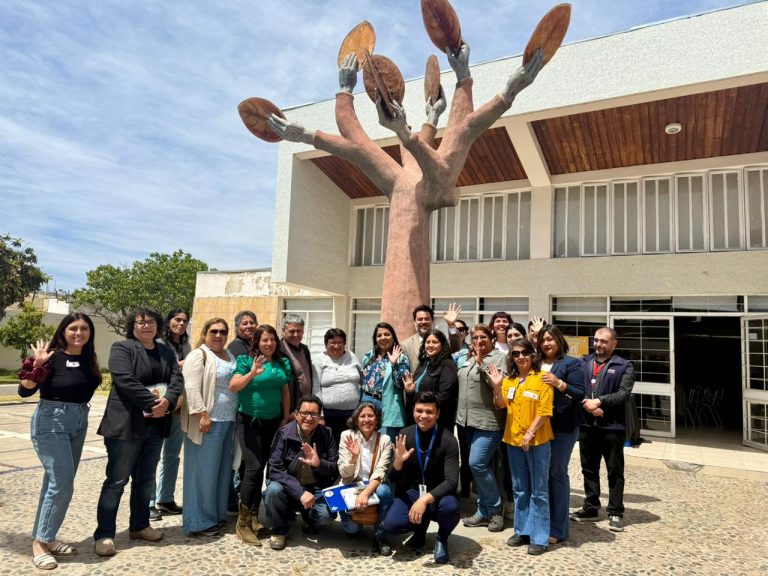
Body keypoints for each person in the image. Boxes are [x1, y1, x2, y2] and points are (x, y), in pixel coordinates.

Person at [93, 307, 184, 557]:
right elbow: (125, 380)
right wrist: (154, 403)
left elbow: (177, 379)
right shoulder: (122, 349)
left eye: (151, 322)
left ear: (158, 326)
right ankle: (104, 534)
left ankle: (140, 525)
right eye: (140, 322)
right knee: (116, 481)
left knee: (145, 480)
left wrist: (168, 401)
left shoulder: (165, 351)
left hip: (155, 426)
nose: (146, 326)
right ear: (132, 326)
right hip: (127, 425)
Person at [18, 313, 102, 570]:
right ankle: (40, 545)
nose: (79, 333)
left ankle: (48, 537)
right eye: (73, 328)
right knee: (62, 484)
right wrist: (38, 364)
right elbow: (24, 390)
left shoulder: (89, 358)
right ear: (63, 331)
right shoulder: (51, 356)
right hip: (51, 420)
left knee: (54, 483)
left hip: (79, 420)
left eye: (84, 328)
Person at [229, 324, 292, 544]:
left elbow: (284, 390)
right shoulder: (246, 360)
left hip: (273, 423)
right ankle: (242, 523)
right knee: (253, 468)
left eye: (272, 339)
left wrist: (285, 418)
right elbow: (234, 385)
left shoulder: (282, 362)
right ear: (257, 341)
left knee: (261, 468)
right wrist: (252, 373)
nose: (269, 343)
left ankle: (255, 516)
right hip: (249, 421)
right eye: (264, 340)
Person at [490, 338, 554, 555]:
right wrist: (498, 385)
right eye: (516, 354)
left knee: (539, 491)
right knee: (519, 489)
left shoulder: (542, 379)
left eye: (525, 352)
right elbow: (500, 404)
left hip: (537, 442)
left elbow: (544, 411)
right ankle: (523, 530)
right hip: (513, 441)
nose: (520, 357)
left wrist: (530, 432)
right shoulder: (511, 381)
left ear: (532, 355)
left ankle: (540, 537)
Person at [382, 391, 460, 565]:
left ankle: (442, 538)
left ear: (437, 414)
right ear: (413, 411)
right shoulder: (404, 435)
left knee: (451, 508)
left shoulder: (448, 440)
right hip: (412, 492)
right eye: (419, 411)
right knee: (392, 525)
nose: (424, 416)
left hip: (438, 496)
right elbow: (392, 478)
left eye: (429, 412)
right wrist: (398, 463)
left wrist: (424, 500)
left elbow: (451, 482)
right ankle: (419, 530)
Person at [571, 327, 635, 533]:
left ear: (614, 344)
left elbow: (624, 393)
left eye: (604, 341)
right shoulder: (583, 363)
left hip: (612, 427)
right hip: (587, 426)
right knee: (588, 468)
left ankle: (616, 511)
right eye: (596, 340)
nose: (598, 344)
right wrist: (586, 404)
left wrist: (600, 402)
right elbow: (576, 389)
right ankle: (590, 507)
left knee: (614, 470)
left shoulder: (624, 366)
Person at [179, 318, 237, 536]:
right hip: (207, 422)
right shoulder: (199, 355)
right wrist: (202, 414)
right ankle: (198, 522)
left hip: (227, 421)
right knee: (202, 473)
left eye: (223, 331)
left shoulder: (228, 355)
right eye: (214, 331)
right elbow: (191, 388)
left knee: (221, 473)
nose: (219, 335)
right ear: (204, 333)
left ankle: (216, 515)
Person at [263, 394, 339, 551]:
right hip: (289, 487)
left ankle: (306, 517)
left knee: (327, 515)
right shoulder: (284, 434)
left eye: (314, 414)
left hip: (314, 487)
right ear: (296, 414)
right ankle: (279, 530)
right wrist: (299, 492)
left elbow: (334, 467)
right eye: (304, 413)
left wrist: (319, 464)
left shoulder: (327, 434)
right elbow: (274, 469)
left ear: (319, 416)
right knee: (273, 490)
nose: (309, 418)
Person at [456, 324, 507, 533]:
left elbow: (497, 385)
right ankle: (483, 510)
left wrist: (481, 365)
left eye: (483, 337)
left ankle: (495, 510)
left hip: (488, 422)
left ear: (492, 339)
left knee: (476, 463)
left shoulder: (498, 358)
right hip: (467, 421)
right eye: (475, 337)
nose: (479, 341)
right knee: (480, 466)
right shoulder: (468, 358)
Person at [537, 324, 586, 544]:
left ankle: (558, 528)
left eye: (551, 339)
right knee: (542, 475)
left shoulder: (571, 363)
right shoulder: (535, 363)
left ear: (559, 341)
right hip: (538, 426)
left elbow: (579, 393)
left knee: (556, 473)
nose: (547, 343)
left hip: (563, 426)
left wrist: (559, 383)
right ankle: (542, 521)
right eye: (543, 339)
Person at [150, 307, 190, 521]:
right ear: (168, 321)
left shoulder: (186, 345)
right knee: (153, 455)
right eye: (177, 319)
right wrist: (185, 363)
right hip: (160, 404)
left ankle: (165, 498)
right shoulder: (159, 343)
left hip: (179, 406)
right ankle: (148, 502)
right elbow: (163, 369)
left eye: (185, 320)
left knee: (173, 454)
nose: (181, 324)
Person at [337, 402, 394, 555]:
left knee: (385, 491)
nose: (367, 420)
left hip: (372, 487)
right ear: (356, 420)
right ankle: (354, 521)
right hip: (351, 487)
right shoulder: (346, 436)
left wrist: (365, 493)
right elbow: (344, 473)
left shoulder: (385, 440)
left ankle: (380, 535)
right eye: (362, 416)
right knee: (352, 529)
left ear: (377, 420)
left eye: (371, 416)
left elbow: (380, 472)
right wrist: (354, 458)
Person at [311, 328, 362, 448]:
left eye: (340, 342)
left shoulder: (351, 356)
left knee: (350, 446)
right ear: (326, 344)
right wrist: (320, 415)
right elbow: (316, 388)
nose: (336, 345)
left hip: (352, 414)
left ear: (344, 344)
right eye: (332, 342)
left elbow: (363, 379)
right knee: (329, 447)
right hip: (329, 415)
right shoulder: (319, 359)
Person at [360, 322, 410, 438]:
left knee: (386, 442)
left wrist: (394, 365)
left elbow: (401, 384)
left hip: (387, 403)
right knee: (367, 440)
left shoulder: (401, 357)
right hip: (367, 400)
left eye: (387, 334)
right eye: (379, 335)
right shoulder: (369, 356)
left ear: (393, 337)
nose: (383, 338)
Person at [403, 329, 458, 431]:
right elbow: (416, 390)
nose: (430, 345)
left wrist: (425, 410)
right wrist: (409, 390)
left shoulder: (447, 364)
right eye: (428, 342)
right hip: (419, 418)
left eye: (435, 342)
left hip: (437, 421)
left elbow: (444, 396)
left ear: (442, 345)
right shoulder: (424, 363)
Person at [401, 304, 463, 371]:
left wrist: (451, 324)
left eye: (427, 319)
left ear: (432, 321)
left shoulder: (441, 340)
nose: (423, 322)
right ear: (414, 322)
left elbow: (455, 348)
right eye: (420, 319)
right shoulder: (405, 346)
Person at [281, 313, 313, 414]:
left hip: (304, 406)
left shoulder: (305, 349)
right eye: (292, 331)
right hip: (288, 409)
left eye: (299, 331)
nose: (296, 335)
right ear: (283, 331)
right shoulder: (278, 350)